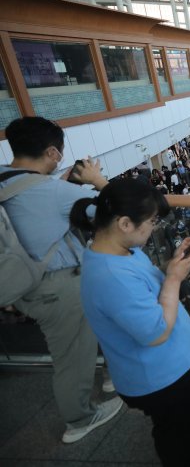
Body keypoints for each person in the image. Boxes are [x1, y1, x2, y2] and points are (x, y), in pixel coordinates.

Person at [71, 179, 190, 466]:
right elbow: (155, 333)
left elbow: (148, 287)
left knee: (189, 412)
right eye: (151, 221)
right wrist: (175, 278)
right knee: (176, 432)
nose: (153, 227)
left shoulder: (121, 252)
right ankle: (188, 461)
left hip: (174, 365)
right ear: (125, 223)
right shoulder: (110, 277)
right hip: (159, 377)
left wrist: (171, 265)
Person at [0, 117, 123, 445]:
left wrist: (62, 183)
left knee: (97, 328)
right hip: (58, 288)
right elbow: (122, 212)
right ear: (52, 151)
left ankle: (113, 378)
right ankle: (80, 419)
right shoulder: (56, 191)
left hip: (22, 283)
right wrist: (97, 180)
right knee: (71, 358)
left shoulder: (5, 178)